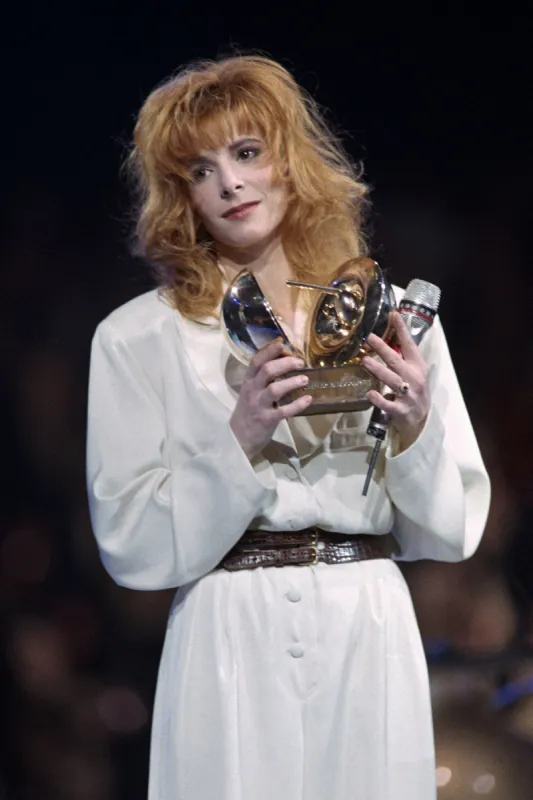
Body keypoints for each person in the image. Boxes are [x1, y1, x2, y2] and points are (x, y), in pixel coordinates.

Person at [86, 55, 491, 800]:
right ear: (180, 196)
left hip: (366, 620)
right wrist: (235, 440)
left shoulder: (393, 315)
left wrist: (413, 428)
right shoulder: (134, 338)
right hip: (226, 632)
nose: (230, 183)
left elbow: (452, 527)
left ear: (289, 161)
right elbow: (130, 545)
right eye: (200, 170)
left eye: (246, 153)